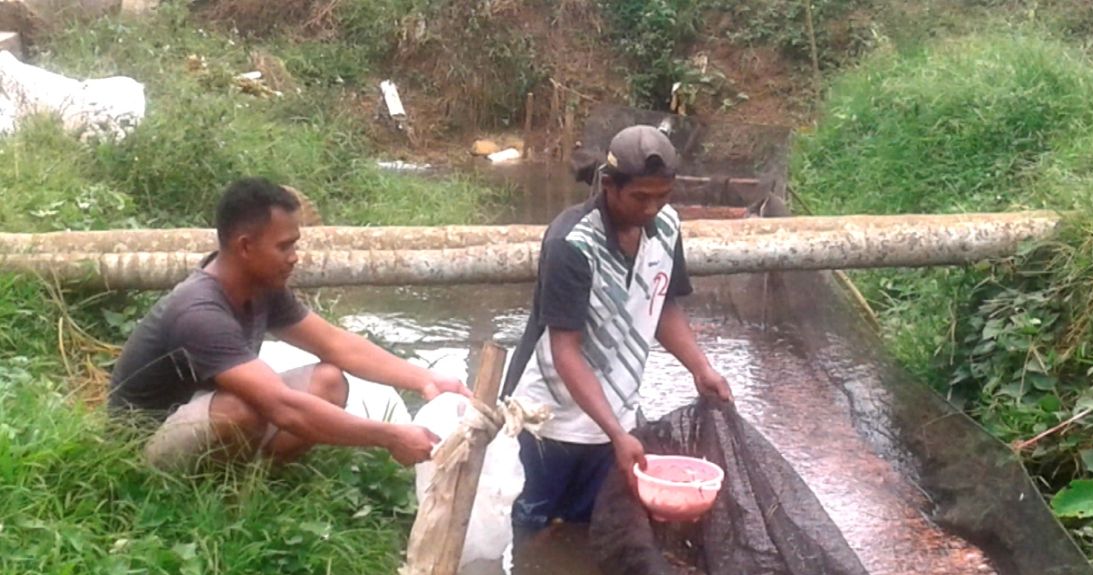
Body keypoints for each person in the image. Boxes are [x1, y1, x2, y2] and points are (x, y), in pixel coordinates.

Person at [108, 177, 468, 470]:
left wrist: (426, 379)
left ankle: (254, 480)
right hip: (142, 447)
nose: (295, 257)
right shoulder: (199, 312)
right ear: (245, 247)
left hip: (200, 414)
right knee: (242, 409)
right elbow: (283, 407)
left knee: (327, 380)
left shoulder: (261, 286)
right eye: (285, 246)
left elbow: (336, 345)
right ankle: (210, 498)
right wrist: (391, 435)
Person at [502, 124, 732, 534]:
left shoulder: (666, 228)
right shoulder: (572, 244)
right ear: (608, 185)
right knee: (535, 526)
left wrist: (701, 368)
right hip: (550, 418)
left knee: (589, 527)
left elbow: (661, 305)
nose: (651, 209)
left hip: (616, 413)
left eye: (662, 196)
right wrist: (615, 432)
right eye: (640, 197)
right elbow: (565, 350)